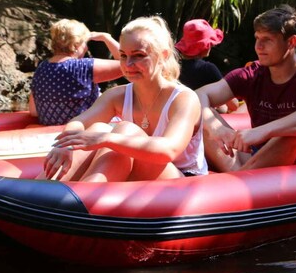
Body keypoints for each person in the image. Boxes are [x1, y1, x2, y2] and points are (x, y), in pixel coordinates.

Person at [42, 16, 206, 182]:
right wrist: (65, 144)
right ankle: (41, 192)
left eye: (138, 55)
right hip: (140, 179)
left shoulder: (184, 99)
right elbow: (80, 122)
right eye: (123, 55)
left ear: (163, 56)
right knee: (99, 127)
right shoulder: (117, 95)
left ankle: (81, 200)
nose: (128, 64)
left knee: (124, 131)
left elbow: (169, 150)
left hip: (182, 182)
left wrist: (107, 139)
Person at [196, 5, 296, 172]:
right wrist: (216, 129)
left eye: (267, 40)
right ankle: (238, 181)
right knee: (202, 119)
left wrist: (263, 131)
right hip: (259, 158)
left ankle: (237, 182)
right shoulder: (252, 74)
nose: (258, 46)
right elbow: (199, 95)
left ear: (291, 42)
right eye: (257, 38)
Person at [29, 19, 122, 125]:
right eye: (85, 43)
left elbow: (33, 111)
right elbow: (128, 64)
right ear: (76, 45)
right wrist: (107, 38)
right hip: (81, 131)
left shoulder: (41, 68)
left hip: (48, 133)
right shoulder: (83, 67)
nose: (86, 48)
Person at [176, 19, 240, 113]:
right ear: (204, 46)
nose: (212, 46)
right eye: (210, 43)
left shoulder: (171, 65)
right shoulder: (207, 69)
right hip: (197, 117)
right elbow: (234, 105)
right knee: (223, 108)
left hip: (176, 112)